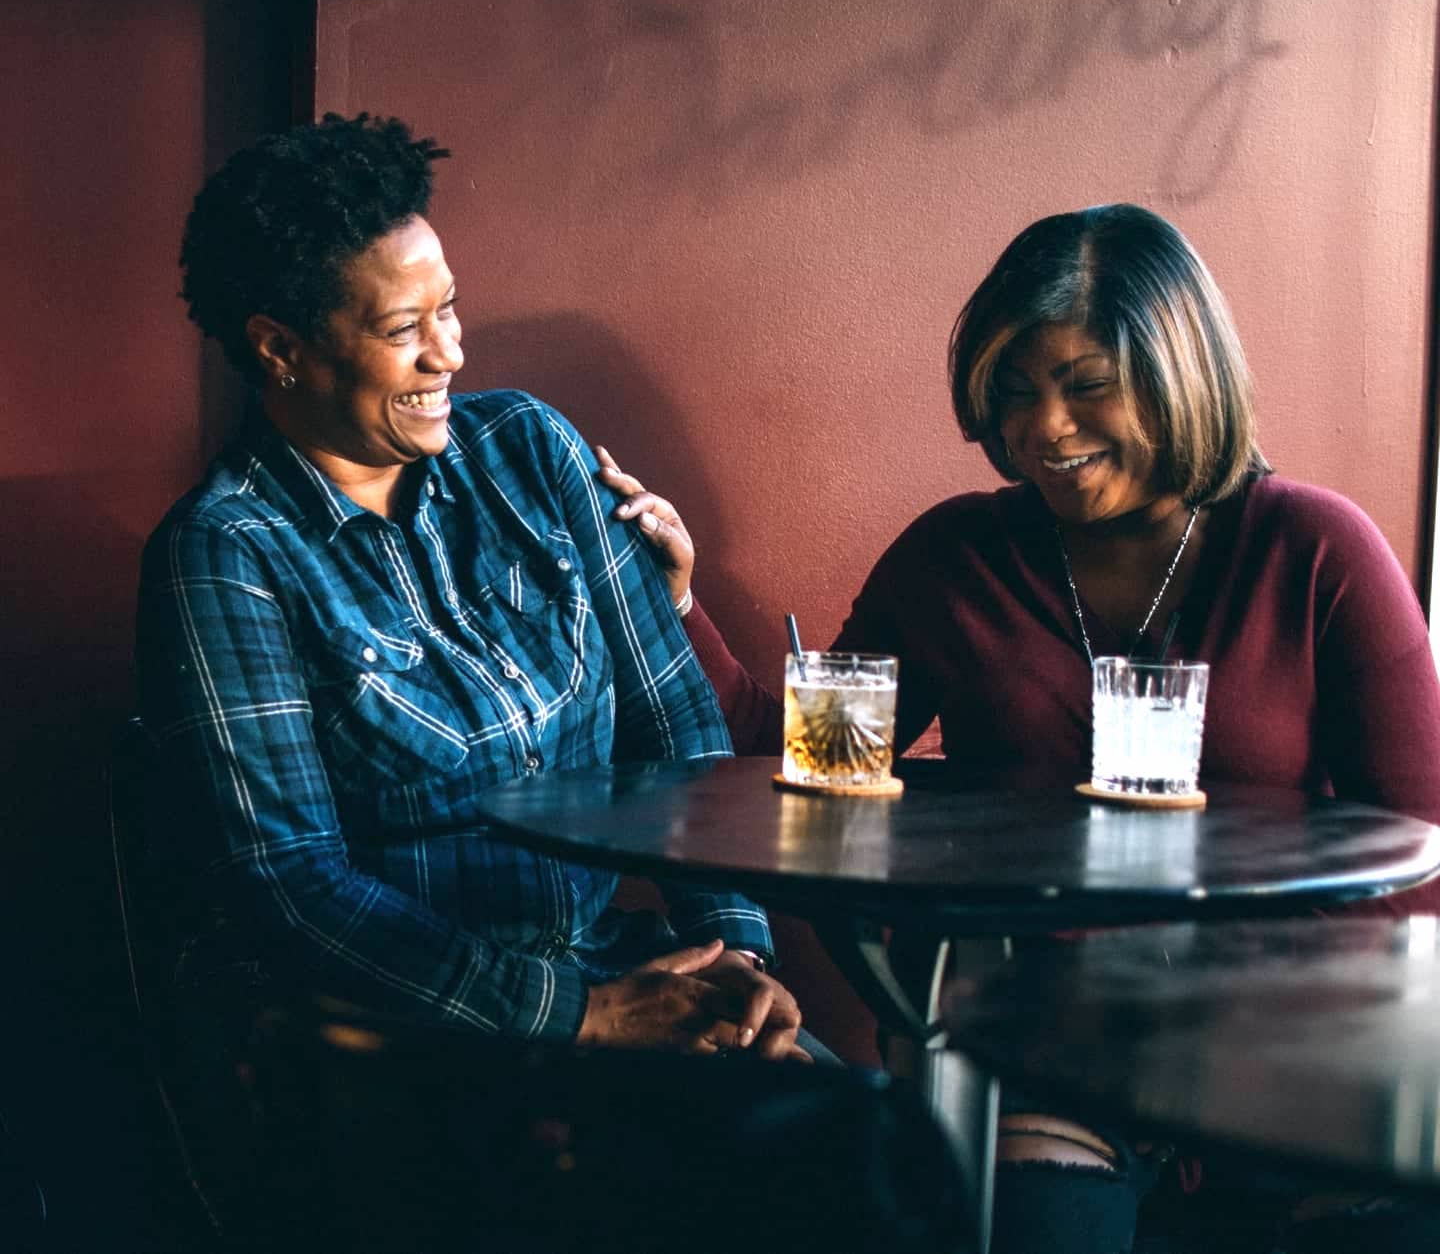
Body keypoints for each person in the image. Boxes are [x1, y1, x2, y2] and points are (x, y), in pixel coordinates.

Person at [597, 203, 1440, 1253]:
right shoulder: (959, 557)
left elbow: (1417, 850)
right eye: (1015, 390)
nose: (1044, 427)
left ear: (1180, 371)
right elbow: (808, 752)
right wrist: (676, 603)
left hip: (1297, 1046)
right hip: (1055, 1044)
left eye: (1086, 384)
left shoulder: (1315, 549)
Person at [133, 112, 812, 1077]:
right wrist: (582, 1016)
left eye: (447, 308)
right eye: (403, 328)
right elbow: (288, 887)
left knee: (865, 1141)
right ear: (281, 347)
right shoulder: (224, 556)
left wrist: (733, 951)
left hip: (622, 974)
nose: (448, 352)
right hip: (402, 1041)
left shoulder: (531, 450)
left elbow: (677, 731)